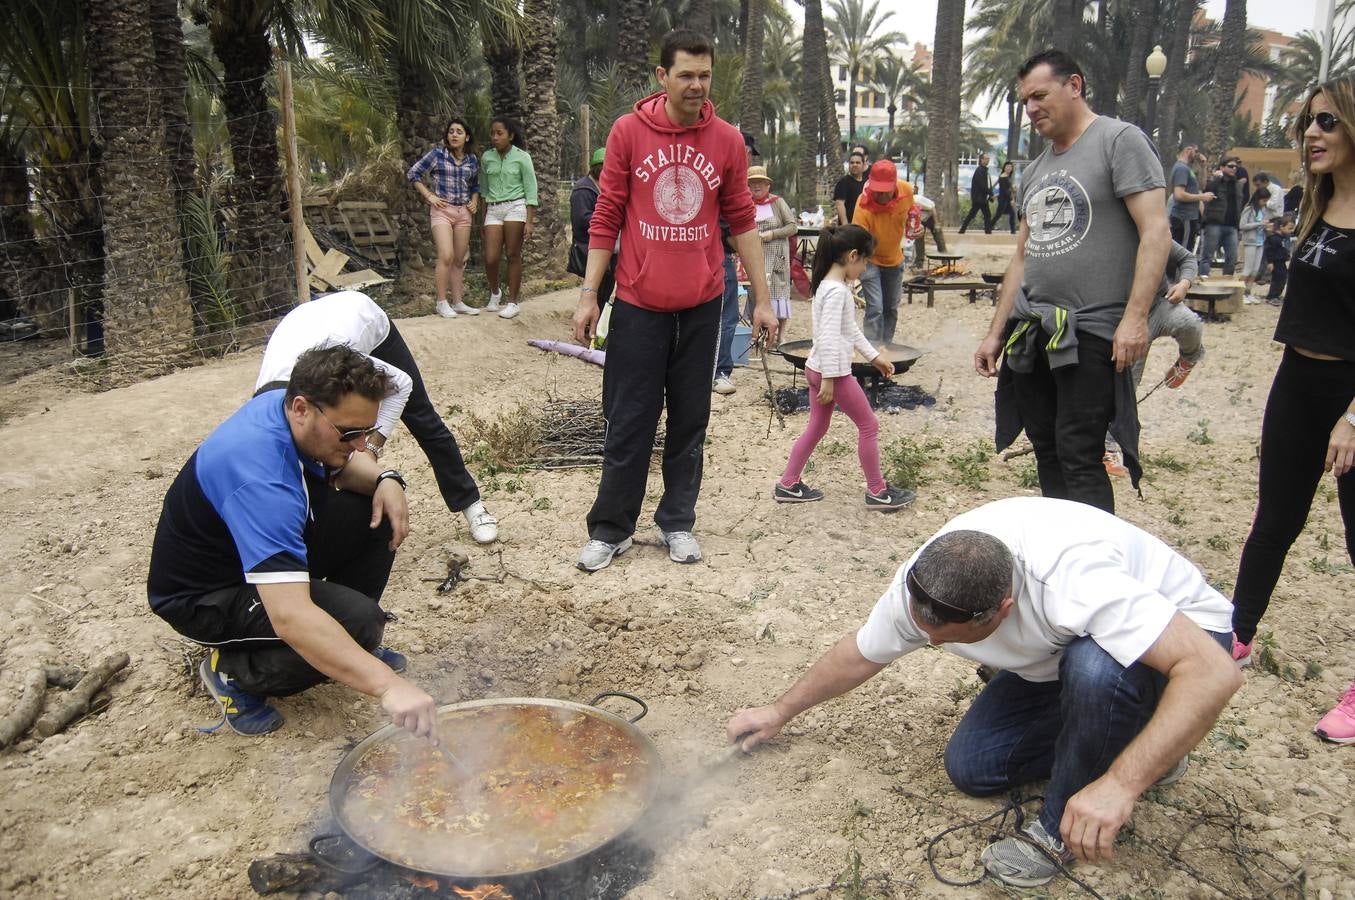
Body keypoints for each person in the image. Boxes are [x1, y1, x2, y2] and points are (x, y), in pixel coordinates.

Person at [726, 497, 1241, 888]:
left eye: (947, 639)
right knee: (975, 767)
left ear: (1001, 610)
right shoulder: (929, 582)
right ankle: (1137, 736)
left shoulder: (1073, 582)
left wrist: (1122, 785)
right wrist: (779, 712)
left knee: (1095, 670)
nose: (928, 641)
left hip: (1179, 641)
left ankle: (1061, 827)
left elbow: (1213, 673)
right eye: (922, 631)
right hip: (1057, 654)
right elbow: (860, 654)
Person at [147, 346, 439, 738]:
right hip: (206, 595)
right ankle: (233, 672)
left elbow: (349, 467)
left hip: (254, 553)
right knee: (359, 622)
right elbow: (290, 616)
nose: (360, 444)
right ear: (302, 408)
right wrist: (387, 685)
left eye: (366, 432)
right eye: (350, 433)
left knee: (376, 510)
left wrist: (387, 478)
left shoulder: (286, 405)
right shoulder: (261, 477)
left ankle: (338, 644)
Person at [570, 29, 778, 572]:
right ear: (662, 77)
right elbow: (607, 214)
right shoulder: (628, 133)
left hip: (703, 305)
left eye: (704, 75)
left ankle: (677, 522)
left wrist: (762, 297)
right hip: (638, 304)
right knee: (629, 418)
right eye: (685, 74)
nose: (696, 85)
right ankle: (611, 528)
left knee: (691, 419)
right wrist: (590, 294)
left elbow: (743, 222)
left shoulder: (728, 140)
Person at [974, 50, 1170, 514]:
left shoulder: (1119, 141)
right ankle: (1065, 553)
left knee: (1079, 451)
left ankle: (1095, 568)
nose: (1032, 108)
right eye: (1025, 101)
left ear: (1075, 85)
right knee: (1046, 446)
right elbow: (1022, 256)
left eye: (1040, 95)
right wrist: (994, 332)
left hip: (1092, 331)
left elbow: (1156, 232)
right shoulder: (1036, 169)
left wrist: (1135, 319)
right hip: (1035, 331)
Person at [1229, 77, 1355, 744]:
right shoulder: (1314, 202)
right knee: (1274, 518)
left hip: (1351, 397)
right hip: (1296, 382)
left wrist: (1352, 418)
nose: (1311, 134)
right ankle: (1235, 634)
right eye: (1307, 123)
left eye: (1327, 122)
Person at [255, 290, 498, 544]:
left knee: (421, 417)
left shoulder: (335, 366)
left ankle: (472, 505)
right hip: (306, 325)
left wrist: (371, 447)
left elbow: (402, 384)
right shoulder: (264, 407)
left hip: (361, 319)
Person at [773, 224, 914, 510]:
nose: (865, 268)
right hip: (831, 372)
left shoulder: (828, 284)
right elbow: (827, 335)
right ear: (852, 256)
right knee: (868, 425)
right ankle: (878, 492)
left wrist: (874, 357)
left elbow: (848, 328)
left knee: (817, 427)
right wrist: (828, 379)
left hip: (818, 367)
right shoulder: (837, 292)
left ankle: (788, 484)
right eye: (865, 261)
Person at [1103, 241, 1205, 475]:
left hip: (1159, 305)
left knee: (1190, 324)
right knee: (1125, 385)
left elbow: (1187, 258)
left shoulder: (1153, 230)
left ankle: (1188, 359)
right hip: (1123, 316)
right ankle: (1107, 448)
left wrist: (1183, 283)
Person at [406, 118, 480, 318]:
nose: (454, 135)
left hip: (463, 213)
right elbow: (413, 174)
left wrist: (474, 200)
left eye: (459, 132)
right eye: (451, 131)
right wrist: (429, 196)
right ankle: (441, 302)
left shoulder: (472, 160)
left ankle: (457, 302)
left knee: (459, 259)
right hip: (442, 211)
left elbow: (474, 185)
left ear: (467, 137)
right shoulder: (438, 155)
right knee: (446, 255)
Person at [713, 130, 760, 396]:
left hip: (723, 255)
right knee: (725, 317)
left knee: (726, 316)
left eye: (751, 154)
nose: (749, 158)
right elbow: (728, 230)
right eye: (747, 152)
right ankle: (719, 371)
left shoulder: (739, 181)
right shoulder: (724, 178)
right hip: (717, 255)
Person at [851, 159, 914, 345]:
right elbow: (857, 239)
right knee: (875, 307)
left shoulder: (906, 191)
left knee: (891, 308)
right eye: (877, 189)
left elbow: (912, 213)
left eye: (885, 190)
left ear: (894, 184)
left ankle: (886, 347)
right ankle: (871, 349)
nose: (880, 194)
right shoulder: (863, 204)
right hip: (870, 261)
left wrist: (916, 229)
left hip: (895, 260)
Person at [481, 116, 538, 320]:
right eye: (493, 133)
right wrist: (482, 218)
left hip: (516, 206)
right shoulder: (487, 157)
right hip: (494, 208)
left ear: (510, 136)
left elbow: (531, 190)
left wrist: (529, 221)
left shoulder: (522, 157)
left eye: (500, 133)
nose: (495, 137)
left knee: (513, 254)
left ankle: (513, 302)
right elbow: (484, 190)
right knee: (490, 258)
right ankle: (495, 292)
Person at [746, 166, 797, 342]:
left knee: (778, 291)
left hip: (776, 255)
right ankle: (759, 334)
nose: (756, 187)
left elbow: (792, 226)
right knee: (756, 291)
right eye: (752, 183)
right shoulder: (746, 205)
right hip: (756, 255)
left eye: (760, 183)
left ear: (767, 185)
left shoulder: (777, 202)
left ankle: (781, 336)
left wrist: (773, 234)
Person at [569, 148, 617, 316]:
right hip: (589, 246)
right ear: (598, 168)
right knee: (597, 289)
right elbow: (581, 219)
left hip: (608, 247)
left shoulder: (606, 187)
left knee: (606, 288)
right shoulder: (583, 190)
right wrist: (608, 221)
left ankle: (599, 323)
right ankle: (592, 327)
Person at [1199, 156, 1245, 278]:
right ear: (1222, 167)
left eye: (1236, 166)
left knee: (1232, 257)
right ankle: (1203, 280)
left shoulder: (1237, 185)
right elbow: (1204, 188)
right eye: (1230, 166)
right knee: (1207, 255)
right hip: (1214, 223)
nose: (1234, 168)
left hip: (1232, 226)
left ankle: (1227, 282)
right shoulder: (1215, 183)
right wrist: (1213, 174)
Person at [1167, 143, 1212, 253]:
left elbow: (1202, 186)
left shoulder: (1188, 169)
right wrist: (1201, 197)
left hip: (1190, 217)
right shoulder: (1181, 169)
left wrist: (1203, 167)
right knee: (1182, 252)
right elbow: (1179, 194)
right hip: (1183, 217)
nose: (1198, 155)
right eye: (1196, 152)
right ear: (1188, 150)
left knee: (1186, 249)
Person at [1240, 188, 1271, 300]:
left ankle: (1248, 292)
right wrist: (1259, 224)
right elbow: (1243, 225)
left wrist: (1266, 227)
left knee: (1255, 269)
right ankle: (1240, 293)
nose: (1265, 203)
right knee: (1247, 269)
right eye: (1263, 200)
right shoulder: (1249, 209)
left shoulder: (1264, 210)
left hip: (1260, 241)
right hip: (1250, 241)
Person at [958, 152, 995, 234]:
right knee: (973, 214)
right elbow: (982, 185)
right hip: (979, 198)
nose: (988, 160)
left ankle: (987, 231)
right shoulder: (980, 171)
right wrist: (990, 193)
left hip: (982, 198)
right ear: (981, 160)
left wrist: (990, 194)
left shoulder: (984, 170)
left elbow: (988, 184)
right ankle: (963, 230)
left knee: (985, 215)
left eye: (988, 159)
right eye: (986, 159)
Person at [1262, 215, 1296, 305]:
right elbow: (1269, 251)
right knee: (1277, 279)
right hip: (1276, 262)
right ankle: (1272, 296)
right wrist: (1270, 262)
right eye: (1290, 228)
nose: (1291, 231)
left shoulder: (1284, 238)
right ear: (1281, 227)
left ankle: (1277, 295)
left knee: (1283, 278)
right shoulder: (1273, 238)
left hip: (1282, 261)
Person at [833, 151, 867, 226]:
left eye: (858, 163)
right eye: (852, 163)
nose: (854, 165)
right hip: (849, 228)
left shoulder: (866, 183)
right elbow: (839, 204)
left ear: (864, 165)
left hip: (863, 226)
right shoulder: (843, 182)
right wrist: (845, 225)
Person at [993, 161, 1017, 234]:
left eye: (1010, 167)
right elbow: (1005, 191)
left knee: (1012, 214)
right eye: (1007, 167)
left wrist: (1013, 189)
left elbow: (1004, 187)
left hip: (1006, 199)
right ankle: (989, 226)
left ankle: (1013, 231)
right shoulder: (1004, 176)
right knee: (998, 215)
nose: (1009, 168)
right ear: (1004, 168)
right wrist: (1012, 199)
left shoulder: (1007, 176)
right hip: (1003, 200)